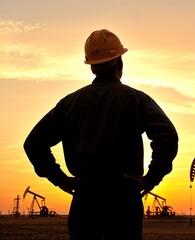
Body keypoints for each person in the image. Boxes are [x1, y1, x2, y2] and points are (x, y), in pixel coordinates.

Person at [23, 28, 179, 240]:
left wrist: (60, 179)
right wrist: (150, 179)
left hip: (85, 199)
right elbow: (167, 137)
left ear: (92, 68)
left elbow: (34, 143)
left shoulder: (69, 104)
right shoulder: (136, 99)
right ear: (120, 62)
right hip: (124, 200)